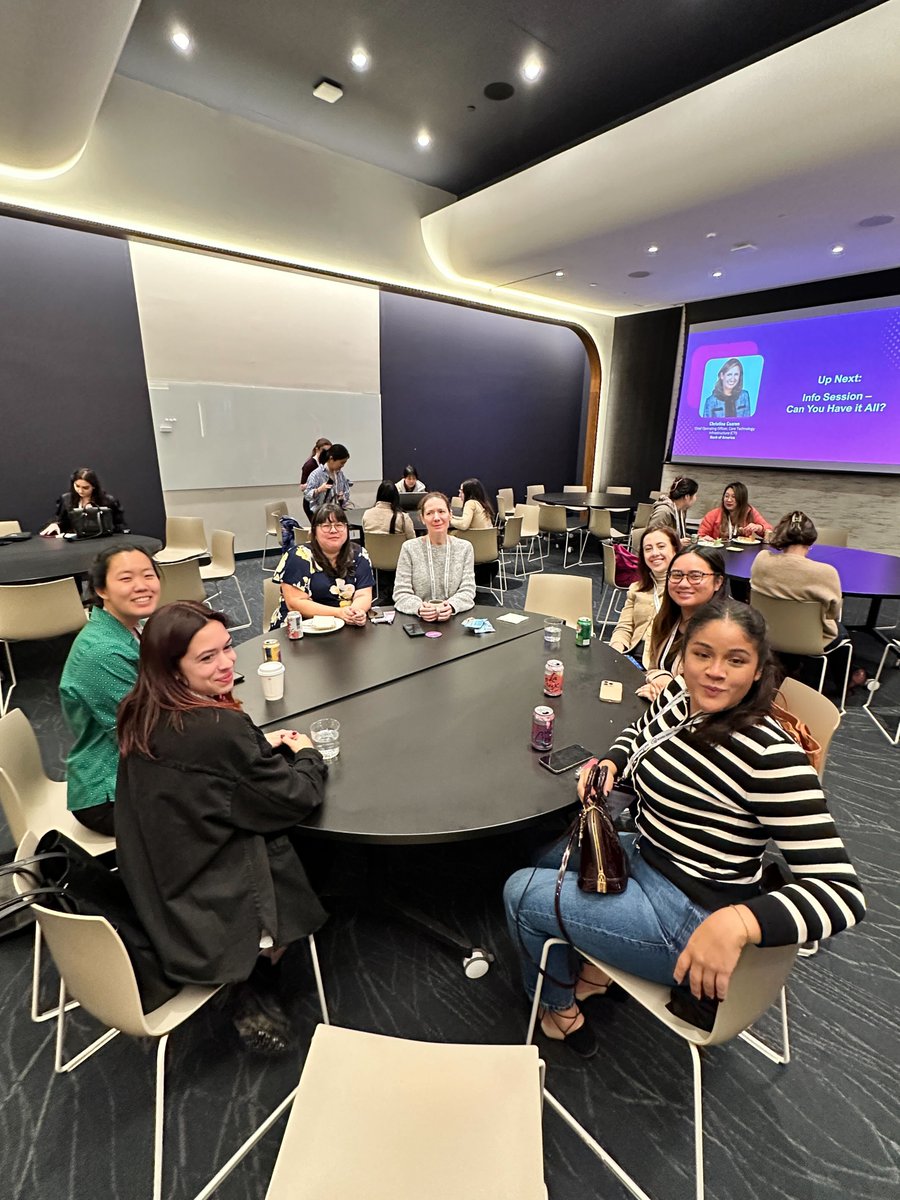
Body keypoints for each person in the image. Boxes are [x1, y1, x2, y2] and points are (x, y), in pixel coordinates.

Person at [504, 600, 865, 1055]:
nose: (714, 672)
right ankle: (595, 973)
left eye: (735, 660)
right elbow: (640, 731)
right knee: (542, 855)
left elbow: (842, 892)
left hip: (687, 916)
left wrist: (739, 920)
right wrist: (615, 760)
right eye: (702, 654)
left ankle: (559, 1012)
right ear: (684, 655)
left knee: (521, 894)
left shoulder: (772, 758)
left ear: (757, 671)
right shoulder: (681, 697)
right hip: (652, 852)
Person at [115, 602, 327, 1053]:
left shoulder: (142, 708)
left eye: (227, 648)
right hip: (204, 905)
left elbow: (209, 774)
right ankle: (255, 977)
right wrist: (308, 755)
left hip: (156, 880)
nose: (228, 662)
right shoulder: (216, 727)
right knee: (284, 842)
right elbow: (293, 798)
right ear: (172, 669)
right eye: (206, 657)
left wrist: (254, 747)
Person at [58, 545, 161, 836]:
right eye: (126, 578)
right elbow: (145, 735)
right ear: (101, 589)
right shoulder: (102, 652)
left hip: (136, 768)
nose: (142, 586)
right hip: (112, 791)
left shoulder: (130, 627)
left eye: (148, 575)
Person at [639, 545, 725, 700]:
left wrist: (671, 690)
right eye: (677, 575)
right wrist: (659, 677)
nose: (684, 584)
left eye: (696, 576)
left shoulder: (723, 631)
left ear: (718, 582)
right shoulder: (668, 618)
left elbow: (718, 691)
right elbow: (652, 666)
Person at [270, 503, 374, 628]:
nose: (334, 530)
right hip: (301, 625)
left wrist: (355, 612)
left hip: (345, 623)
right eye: (326, 526)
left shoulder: (359, 554)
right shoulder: (298, 556)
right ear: (314, 531)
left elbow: (363, 594)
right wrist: (339, 613)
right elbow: (295, 603)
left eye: (339, 525)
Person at [393, 491, 476, 620]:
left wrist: (452, 606)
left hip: (455, 621)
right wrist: (419, 608)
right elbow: (401, 593)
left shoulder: (465, 548)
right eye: (430, 513)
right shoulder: (409, 548)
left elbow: (468, 590)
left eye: (441, 511)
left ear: (450, 514)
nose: (436, 517)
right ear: (422, 518)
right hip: (418, 622)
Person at [610, 526, 681, 657]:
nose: (654, 553)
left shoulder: (685, 591)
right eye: (648, 549)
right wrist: (616, 650)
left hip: (663, 664)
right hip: (631, 655)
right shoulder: (637, 588)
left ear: (675, 550)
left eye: (661, 546)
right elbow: (624, 627)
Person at [40, 467, 126, 537]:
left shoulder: (108, 501)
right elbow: (60, 520)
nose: (80, 491)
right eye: (77, 486)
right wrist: (56, 524)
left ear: (94, 487)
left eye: (85, 488)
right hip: (75, 542)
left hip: (102, 540)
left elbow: (119, 526)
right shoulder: (66, 499)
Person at [697, 481, 771, 542]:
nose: (729, 500)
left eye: (733, 497)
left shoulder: (749, 511)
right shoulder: (713, 514)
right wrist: (705, 539)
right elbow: (701, 535)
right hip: (718, 553)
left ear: (741, 499)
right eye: (726, 496)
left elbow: (770, 531)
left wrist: (759, 527)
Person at [648, 476, 698, 543]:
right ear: (687, 497)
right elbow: (652, 537)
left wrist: (697, 539)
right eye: (695, 495)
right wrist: (677, 543)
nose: (696, 498)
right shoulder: (663, 511)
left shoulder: (681, 511)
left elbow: (679, 534)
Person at [304, 443, 351, 515]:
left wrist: (342, 497)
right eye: (341, 463)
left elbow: (346, 491)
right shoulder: (317, 474)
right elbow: (307, 495)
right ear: (331, 459)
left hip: (336, 512)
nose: (342, 466)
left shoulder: (340, 474)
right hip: (320, 514)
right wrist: (318, 490)